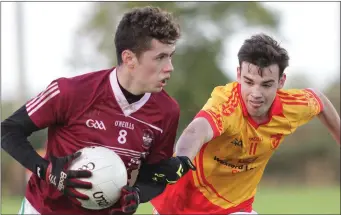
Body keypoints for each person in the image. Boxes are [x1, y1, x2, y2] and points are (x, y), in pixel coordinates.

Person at [1, 6, 183, 215]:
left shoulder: (168, 111)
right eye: (160, 57)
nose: (170, 67)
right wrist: (47, 170)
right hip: (44, 209)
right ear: (129, 59)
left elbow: (155, 176)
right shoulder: (71, 92)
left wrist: (138, 194)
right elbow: (8, 130)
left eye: (171, 56)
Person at [149, 33, 341, 214]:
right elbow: (195, 131)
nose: (256, 94)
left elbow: (320, 101)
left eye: (266, 84)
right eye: (249, 82)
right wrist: (181, 159)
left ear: (281, 81)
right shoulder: (226, 104)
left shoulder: (292, 107)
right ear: (239, 74)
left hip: (235, 207)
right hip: (181, 202)